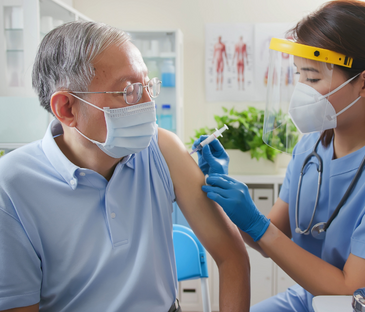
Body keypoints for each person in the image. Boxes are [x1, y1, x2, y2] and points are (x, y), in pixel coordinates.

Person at [194, 1, 365, 311]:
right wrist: (223, 191)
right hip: (311, 299)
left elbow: (352, 289)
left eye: (312, 79)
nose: (302, 89)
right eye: (299, 75)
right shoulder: (311, 147)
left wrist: (259, 225)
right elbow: (267, 236)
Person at [0, 21, 250, 312]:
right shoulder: (12, 186)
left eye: (147, 86)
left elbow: (231, 256)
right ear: (67, 108)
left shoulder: (161, 148)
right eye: (129, 90)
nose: (147, 103)